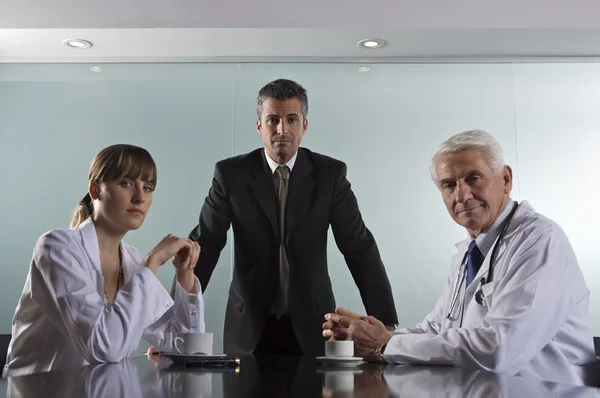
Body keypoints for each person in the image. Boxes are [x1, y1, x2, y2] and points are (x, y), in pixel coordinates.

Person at [322, 129, 595, 385]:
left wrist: (385, 345)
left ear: (506, 179)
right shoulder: (468, 252)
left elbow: (499, 349)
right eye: (449, 185)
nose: (462, 194)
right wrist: (368, 335)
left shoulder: (539, 241)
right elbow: (436, 329)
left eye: (473, 178)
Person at [189, 78, 398, 356]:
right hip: (249, 327)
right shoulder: (230, 175)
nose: (282, 129)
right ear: (259, 125)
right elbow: (205, 246)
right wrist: (172, 326)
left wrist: (387, 327)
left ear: (304, 125)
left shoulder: (330, 175)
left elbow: (359, 248)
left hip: (314, 326)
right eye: (273, 119)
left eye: (291, 119)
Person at [3, 144, 204, 377]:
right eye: (126, 183)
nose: (139, 197)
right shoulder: (56, 248)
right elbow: (103, 348)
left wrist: (184, 273)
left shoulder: (131, 260)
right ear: (95, 189)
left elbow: (186, 347)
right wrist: (153, 261)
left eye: (148, 187)